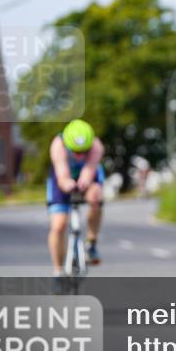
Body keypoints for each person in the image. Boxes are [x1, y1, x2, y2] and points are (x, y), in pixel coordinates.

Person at [47, 119, 105, 282]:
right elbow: (62, 175)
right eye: (76, 152)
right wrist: (68, 184)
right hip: (62, 177)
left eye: (83, 151)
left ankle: (91, 243)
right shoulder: (58, 145)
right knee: (58, 225)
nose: (79, 155)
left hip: (87, 176)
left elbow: (90, 169)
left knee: (95, 196)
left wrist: (85, 181)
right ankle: (58, 272)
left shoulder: (96, 146)